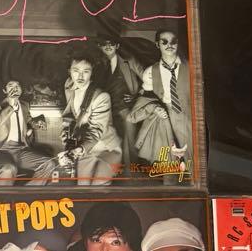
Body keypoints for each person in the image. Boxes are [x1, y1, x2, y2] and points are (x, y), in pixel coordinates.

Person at [127, 29, 191, 171]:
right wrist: (155, 108)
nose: (169, 45)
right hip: (165, 118)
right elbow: (146, 96)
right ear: (157, 44)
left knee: (192, 162)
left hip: (188, 117)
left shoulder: (191, 68)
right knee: (169, 165)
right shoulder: (150, 72)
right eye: (164, 42)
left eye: (173, 42)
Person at [56, 53, 122, 185]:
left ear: (92, 72)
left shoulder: (102, 97)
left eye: (86, 71)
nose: (80, 76)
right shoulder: (69, 85)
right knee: (83, 185)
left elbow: (96, 131)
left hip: (105, 148)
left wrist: (80, 150)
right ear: (69, 71)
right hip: (83, 146)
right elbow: (69, 114)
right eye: (76, 71)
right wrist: (66, 131)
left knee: (97, 186)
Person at [0, 79, 53, 184]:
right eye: (11, 86)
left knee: (49, 164)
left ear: (21, 89)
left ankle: (29, 193)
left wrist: (35, 123)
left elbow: (27, 120)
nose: (15, 89)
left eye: (17, 86)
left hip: (20, 149)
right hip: (0, 150)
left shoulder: (24, 105)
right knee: (9, 169)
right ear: (4, 90)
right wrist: (11, 106)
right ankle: (5, 195)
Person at [98, 37, 144, 168]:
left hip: (125, 107)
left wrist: (137, 95)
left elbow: (148, 78)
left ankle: (133, 169)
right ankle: (115, 169)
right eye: (104, 43)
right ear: (99, 46)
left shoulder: (129, 61)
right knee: (112, 140)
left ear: (117, 45)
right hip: (106, 109)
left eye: (111, 43)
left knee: (130, 138)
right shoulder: (99, 65)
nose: (108, 46)